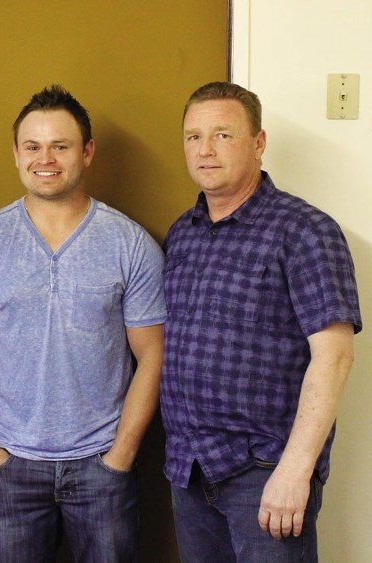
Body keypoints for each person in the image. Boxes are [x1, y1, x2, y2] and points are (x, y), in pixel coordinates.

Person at [0, 84, 166, 563]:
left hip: (102, 467)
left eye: (60, 146)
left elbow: (154, 354)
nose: (45, 158)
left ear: (86, 152)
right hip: (11, 466)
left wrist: (120, 457)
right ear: (16, 154)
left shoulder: (131, 244)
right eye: (33, 146)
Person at [161, 81, 362, 562]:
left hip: (265, 472)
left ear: (258, 143)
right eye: (193, 137)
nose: (205, 150)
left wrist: (296, 470)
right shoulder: (182, 234)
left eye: (223, 135)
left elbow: (334, 357)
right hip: (189, 468)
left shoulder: (306, 231)